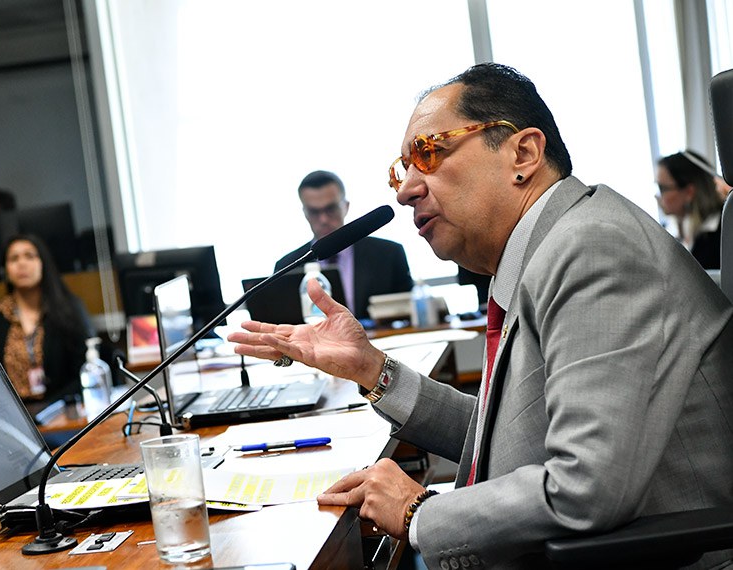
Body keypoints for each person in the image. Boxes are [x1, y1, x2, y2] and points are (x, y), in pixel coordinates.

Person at [230, 63, 733, 569]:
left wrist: (419, 513)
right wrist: (369, 368)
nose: (405, 190)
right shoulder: (543, 251)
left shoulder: (593, 249)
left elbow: (585, 489)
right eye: (401, 170)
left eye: (428, 153)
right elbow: (510, 432)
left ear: (523, 153)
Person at [274, 170, 414, 321]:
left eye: (330, 209)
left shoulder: (388, 254)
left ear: (345, 207)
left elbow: (411, 314)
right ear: (305, 213)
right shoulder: (286, 267)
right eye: (314, 212)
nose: (323, 219)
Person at [0, 233, 94, 403]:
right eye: (14, 258)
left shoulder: (69, 309)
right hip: (13, 415)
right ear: (6, 270)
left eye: (29, 256)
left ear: (43, 264)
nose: (22, 263)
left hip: (64, 412)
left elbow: (84, 370)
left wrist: (50, 409)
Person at [656, 150, 725, 269]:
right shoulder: (667, 230)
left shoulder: (723, 232)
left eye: (663, 188)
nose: (657, 195)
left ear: (689, 192)